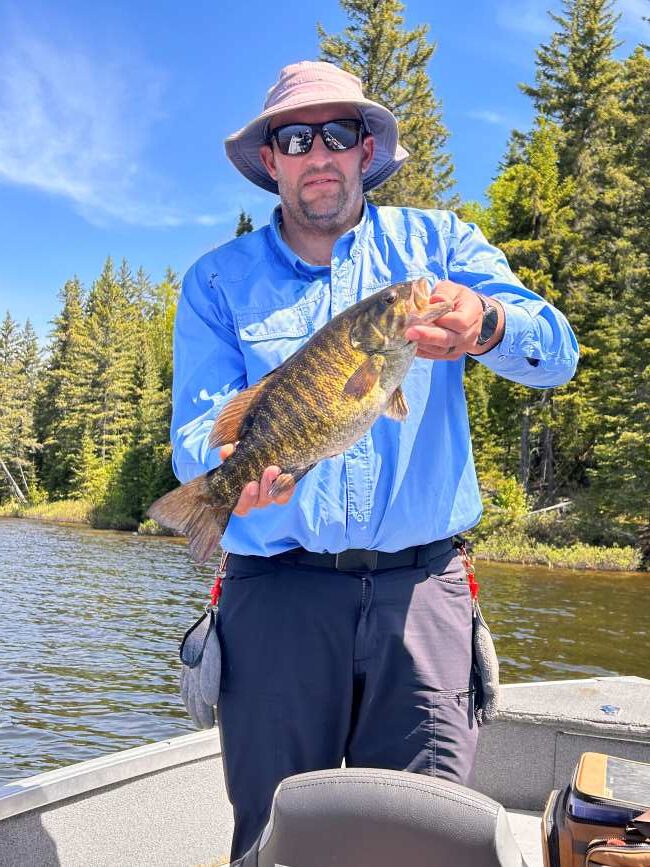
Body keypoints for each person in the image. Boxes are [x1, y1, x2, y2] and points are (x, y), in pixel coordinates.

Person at [171, 61, 578, 861]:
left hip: (423, 592)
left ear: (366, 151)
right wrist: (229, 476)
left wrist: (489, 323)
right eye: (295, 136)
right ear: (271, 159)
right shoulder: (216, 281)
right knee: (275, 837)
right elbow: (199, 429)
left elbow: (556, 350)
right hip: (276, 597)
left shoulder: (442, 248)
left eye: (339, 133)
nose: (317, 152)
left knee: (422, 837)